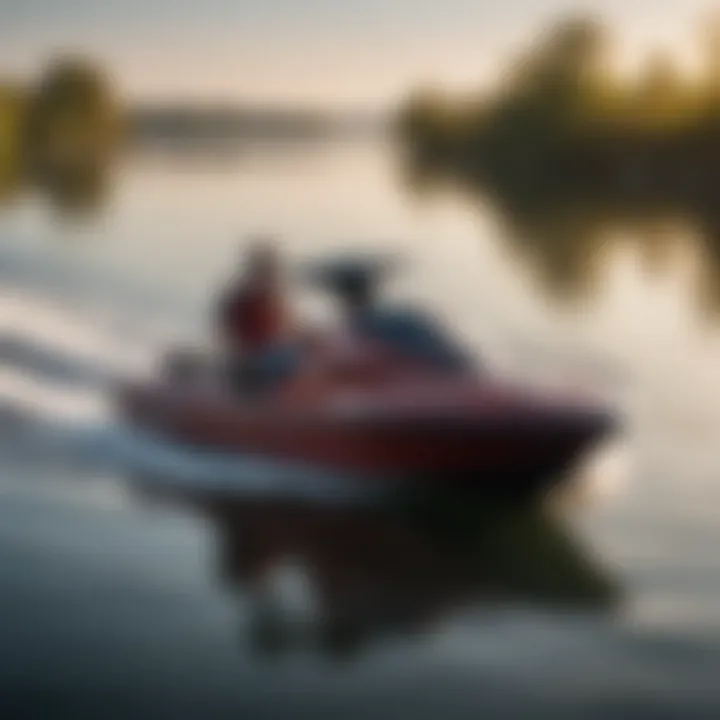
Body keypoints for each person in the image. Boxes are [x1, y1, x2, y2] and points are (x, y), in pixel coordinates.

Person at [218, 238, 301, 394]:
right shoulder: (245, 299)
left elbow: (289, 329)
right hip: (255, 361)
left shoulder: (274, 298)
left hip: (269, 355)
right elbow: (239, 338)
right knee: (293, 359)